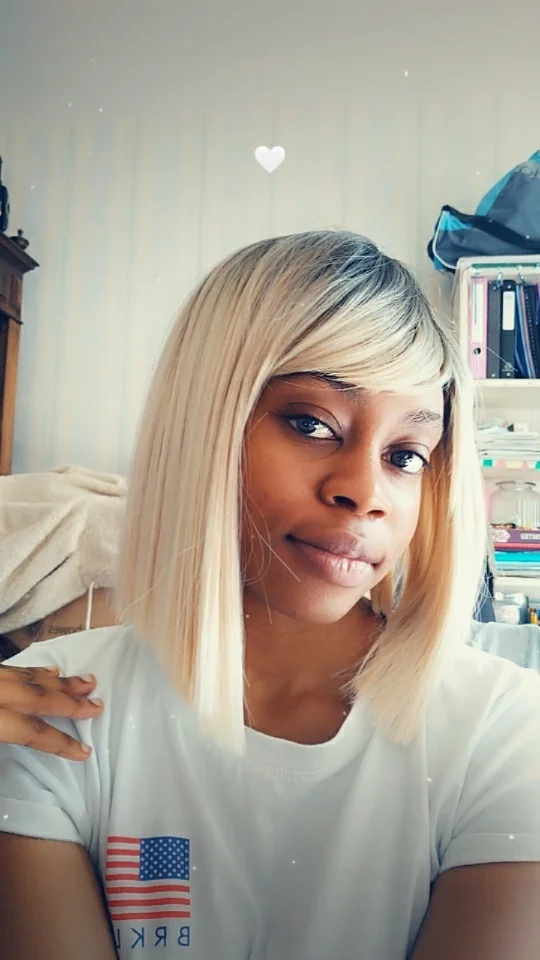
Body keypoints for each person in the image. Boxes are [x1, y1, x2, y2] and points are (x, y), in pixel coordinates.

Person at [1, 230, 540, 960]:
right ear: (203, 423)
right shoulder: (47, 712)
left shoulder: (505, 727)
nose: (365, 492)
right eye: (311, 423)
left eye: (406, 455)